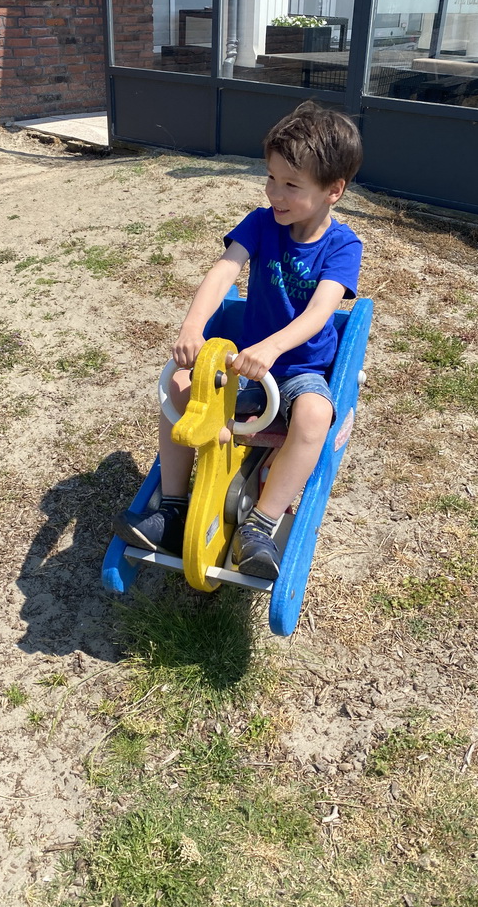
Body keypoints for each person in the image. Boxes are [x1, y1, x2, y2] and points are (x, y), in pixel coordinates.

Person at [113, 101, 363, 580]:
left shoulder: (343, 246)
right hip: (246, 366)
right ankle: (174, 507)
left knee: (314, 416)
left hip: (297, 370)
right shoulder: (261, 222)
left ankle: (261, 525)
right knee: (179, 389)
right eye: (271, 178)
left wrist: (272, 349)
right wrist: (193, 327)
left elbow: (320, 312)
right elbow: (224, 270)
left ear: (334, 190)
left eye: (292, 185)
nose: (276, 194)